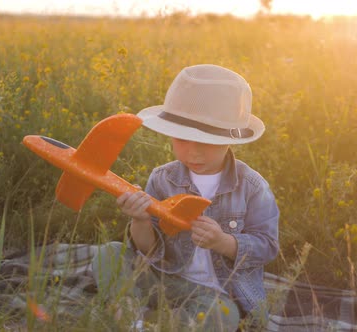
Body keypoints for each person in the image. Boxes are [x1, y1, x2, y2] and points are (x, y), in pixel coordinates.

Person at [92, 64, 279, 331]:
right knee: (108, 253)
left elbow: (268, 246)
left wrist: (223, 241)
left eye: (205, 142)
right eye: (182, 140)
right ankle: (130, 317)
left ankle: (163, 323)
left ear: (230, 140)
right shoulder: (162, 178)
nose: (193, 153)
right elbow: (151, 251)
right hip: (166, 281)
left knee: (222, 316)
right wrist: (140, 221)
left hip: (219, 296)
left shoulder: (252, 186)